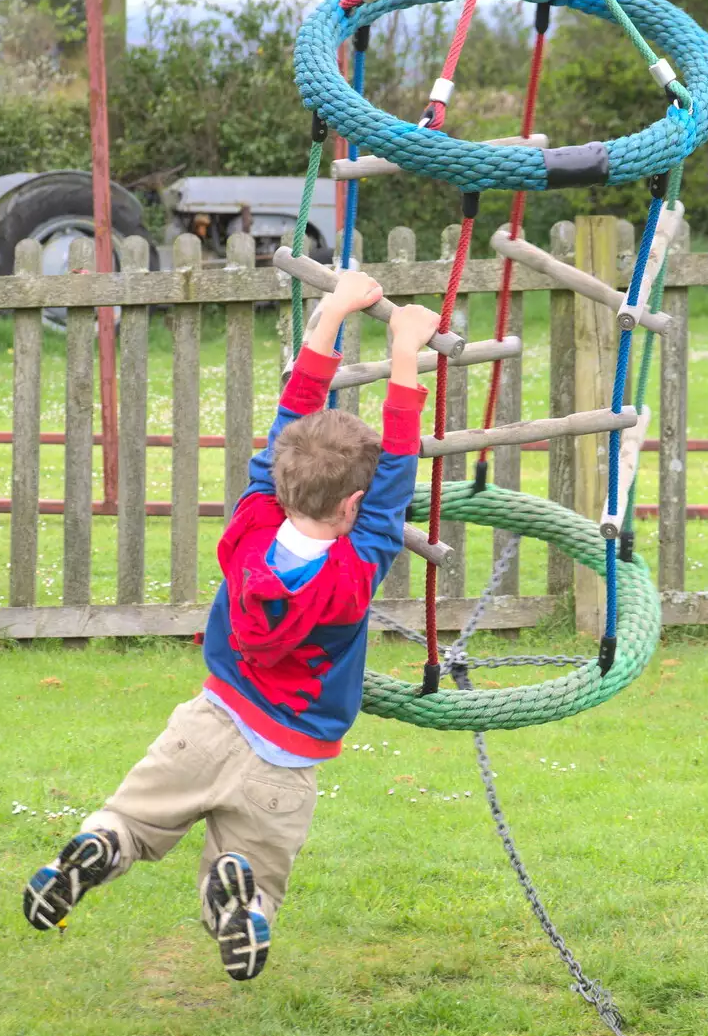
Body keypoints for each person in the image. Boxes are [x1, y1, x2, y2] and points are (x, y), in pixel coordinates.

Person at [22, 271, 439, 982]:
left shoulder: (249, 528)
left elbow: (293, 413)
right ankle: (239, 904)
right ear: (353, 509)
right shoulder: (352, 572)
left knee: (134, 816)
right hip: (288, 757)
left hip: (210, 720)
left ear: (278, 482)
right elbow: (396, 471)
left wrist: (336, 309)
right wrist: (409, 351)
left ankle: (100, 844)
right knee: (258, 876)